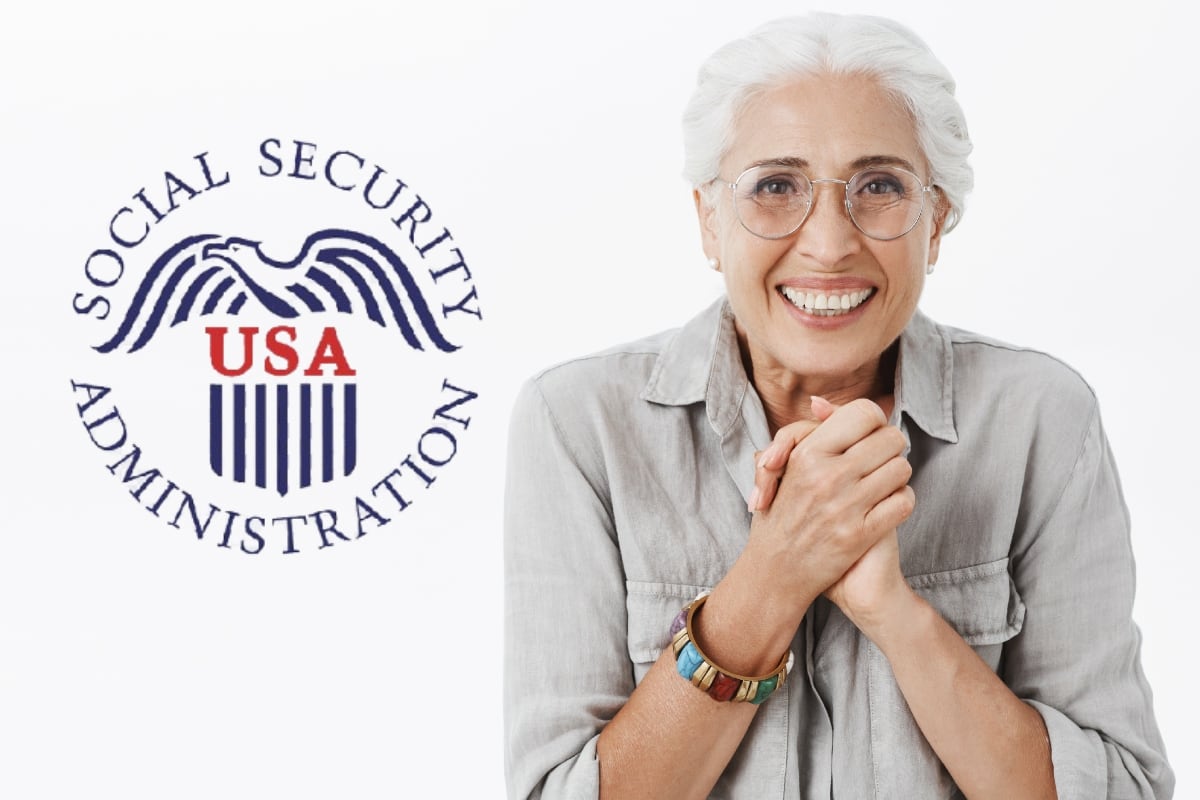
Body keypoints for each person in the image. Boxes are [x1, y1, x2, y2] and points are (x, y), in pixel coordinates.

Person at [503, 12, 1173, 799]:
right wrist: (772, 578)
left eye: (880, 186)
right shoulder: (579, 425)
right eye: (776, 186)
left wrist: (896, 614)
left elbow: (1125, 790)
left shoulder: (1039, 420)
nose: (827, 243)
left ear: (937, 223)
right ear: (710, 221)